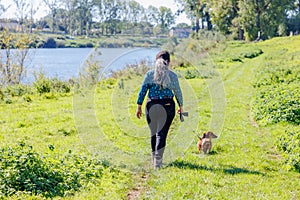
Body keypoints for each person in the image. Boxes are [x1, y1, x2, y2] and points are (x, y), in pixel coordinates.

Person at [136, 50, 183, 169]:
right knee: (161, 134)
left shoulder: (149, 74)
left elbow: (143, 91)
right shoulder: (172, 75)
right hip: (167, 106)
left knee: (153, 133)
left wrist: (139, 106)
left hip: (151, 106)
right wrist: (181, 106)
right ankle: (158, 162)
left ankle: (154, 159)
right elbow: (177, 91)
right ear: (168, 61)